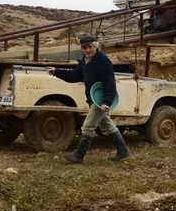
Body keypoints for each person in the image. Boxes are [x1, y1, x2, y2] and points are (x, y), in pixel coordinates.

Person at [46, 35, 130, 164]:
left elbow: (110, 82)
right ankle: (123, 150)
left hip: (100, 100)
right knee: (106, 126)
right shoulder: (85, 60)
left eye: (90, 47)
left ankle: (79, 156)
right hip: (92, 98)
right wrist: (56, 71)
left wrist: (107, 102)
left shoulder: (103, 61)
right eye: (85, 48)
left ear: (95, 46)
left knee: (88, 126)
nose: (88, 50)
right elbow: (74, 75)